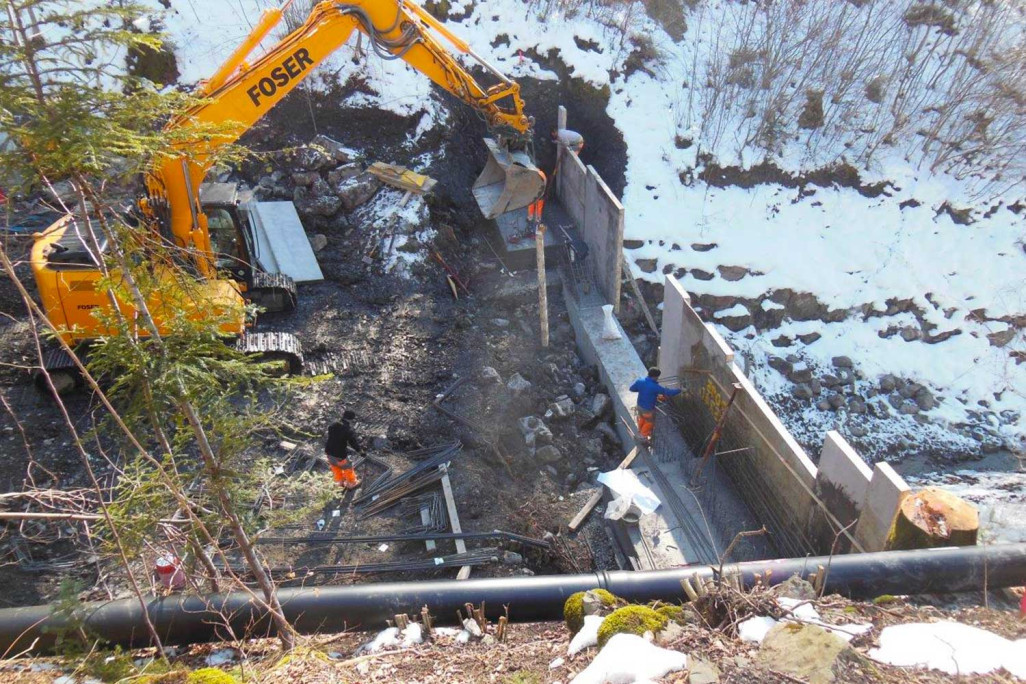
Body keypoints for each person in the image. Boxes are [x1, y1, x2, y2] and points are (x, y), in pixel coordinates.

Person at [629, 367, 681, 444]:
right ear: (655, 377)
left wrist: (642, 390)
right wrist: (680, 390)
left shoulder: (640, 381)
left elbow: (632, 389)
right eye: (657, 377)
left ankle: (640, 431)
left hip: (639, 406)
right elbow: (668, 392)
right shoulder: (655, 387)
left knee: (642, 418)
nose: (657, 379)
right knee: (649, 422)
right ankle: (643, 436)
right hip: (648, 409)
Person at [325, 410, 363, 489]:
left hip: (329, 451)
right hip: (340, 454)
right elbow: (353, 443)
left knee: (335, 467)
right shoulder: (348, 430)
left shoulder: (333, 425)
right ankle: (351, 483)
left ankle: (339, 483)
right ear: (351, 419)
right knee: (347, 467)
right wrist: (360, 451)